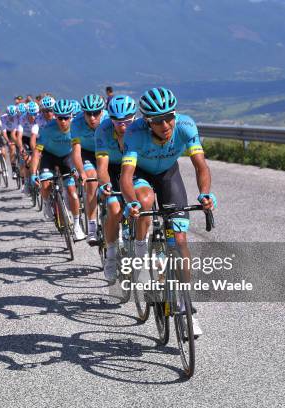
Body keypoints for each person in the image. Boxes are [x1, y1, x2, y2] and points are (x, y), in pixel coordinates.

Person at [120, 87, 217, 338]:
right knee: (144, 200)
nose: (165, 124)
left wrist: (205, 193)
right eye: (158, 120)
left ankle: (185, 309)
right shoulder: (134, 132)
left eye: (169, 117)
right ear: (147, 122)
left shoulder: (186, 126)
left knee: (181, 240)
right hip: (142, 174)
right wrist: (130, 203)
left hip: (168, 175)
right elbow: (126, 176)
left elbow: (201, 166)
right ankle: (140, 250)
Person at [94, 95, 138, 281]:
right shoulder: (103, 130)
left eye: (128, 121)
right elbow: (102, 167)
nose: (122, 126)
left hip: (135, 167)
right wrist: (105, 185)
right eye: (117, 121)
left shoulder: (141, 129)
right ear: (110, 118)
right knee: (114, 208)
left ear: (134, 118)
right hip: (112, 168)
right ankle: (111, 255)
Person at [30, 99, 85, 240]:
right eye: (60, 118)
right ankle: (47, 203)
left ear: (71, 116)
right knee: (46, 184)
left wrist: (79, 170)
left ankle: (77, 226)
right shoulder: (47, 129)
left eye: (66, 117)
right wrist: (33, 173)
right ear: (55, 117)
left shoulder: (76, 128)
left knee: (72, 192)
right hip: (49, 156)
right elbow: (37, 152)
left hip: (67, 157)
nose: (63, 121)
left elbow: (78, 152)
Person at [70, 94, 109, 245]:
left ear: (102, 111)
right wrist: (81, 173)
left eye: (96, 113)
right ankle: (92, 226)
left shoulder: (108, 120)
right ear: (83, 113)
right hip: (87, 154)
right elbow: (76, 152)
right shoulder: (76, 123)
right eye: (88, 113)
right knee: (92, 180)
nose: (92, 117)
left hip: (106, 152)